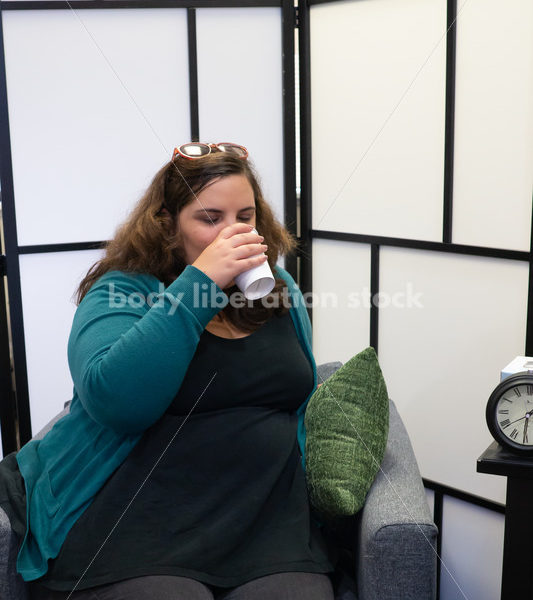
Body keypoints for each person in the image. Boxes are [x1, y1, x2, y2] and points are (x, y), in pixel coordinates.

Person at [0, 142, 336, 599]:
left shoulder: (279, 291)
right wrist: (199, 285)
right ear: (168, 224)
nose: (232, 231)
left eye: (245, 216)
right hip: (139, 521)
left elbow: (298, 396)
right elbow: (117, 402)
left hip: (266, 522)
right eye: (210, 217)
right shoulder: (121, 291)